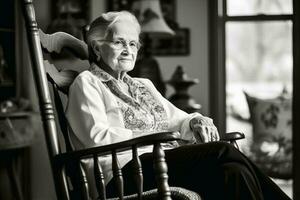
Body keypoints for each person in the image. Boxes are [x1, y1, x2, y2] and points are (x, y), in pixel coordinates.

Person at [65, 11, 291, 200]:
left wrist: (195, 120)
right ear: (96, 48)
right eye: (118, 42)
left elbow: (178, 118)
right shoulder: (87, 83)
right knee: (222, 150)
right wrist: (155, 134)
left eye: (133, 44)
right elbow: (96, 137)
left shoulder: (143, 84)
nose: (128, 50)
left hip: (160, 162)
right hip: (121, 174)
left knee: (232, 172)